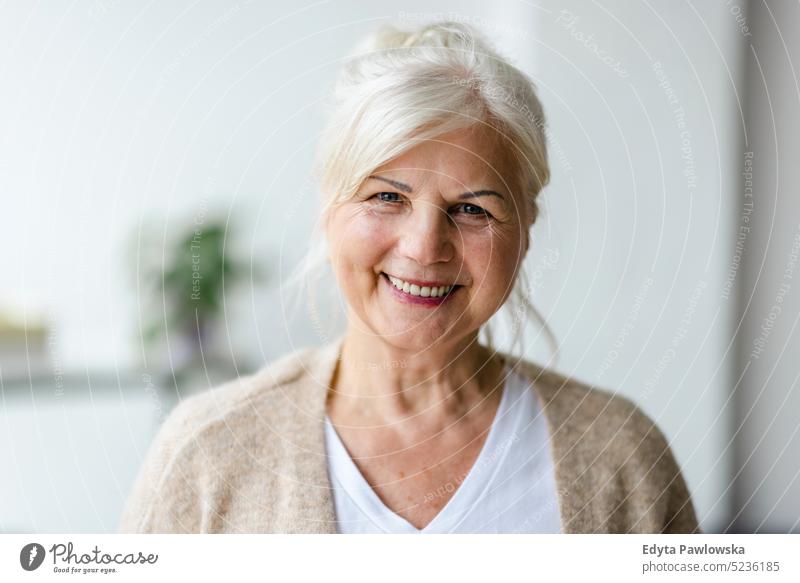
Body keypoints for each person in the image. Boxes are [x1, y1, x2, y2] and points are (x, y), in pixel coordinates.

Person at [119, 21, 699, 534]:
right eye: (386, 196)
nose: (425, 247)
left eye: (473, 209)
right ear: (330, 208)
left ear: (525, 228)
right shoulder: (206, 451)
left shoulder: (624, 456)